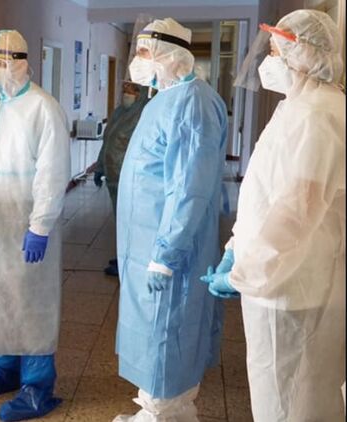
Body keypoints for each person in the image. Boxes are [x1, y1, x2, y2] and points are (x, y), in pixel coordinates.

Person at [201, 9, 345, 421]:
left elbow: (296, 212)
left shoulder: (317, 115)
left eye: (278, 51)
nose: (269, 60)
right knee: (287, 391)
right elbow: (265, 193)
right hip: (282, 277)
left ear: (305, 54)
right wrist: (235, 247)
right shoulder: (298, 107)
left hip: (292, 285)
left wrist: (245, 272)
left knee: (287, 400)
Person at [113, 18, 228, 421]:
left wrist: (166, 255)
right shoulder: (164, 99)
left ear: (172, 55)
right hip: (146, 243)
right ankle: (158, 410)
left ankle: (165, 412)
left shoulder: (191, 103)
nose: (138, 60)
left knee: (167, 330)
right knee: (151, 331)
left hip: (169, 251)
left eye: (146, 52)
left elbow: (189, 188)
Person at [0, 29, 70, 421]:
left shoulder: (43, 108)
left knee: (30, 300)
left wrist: (41, 225)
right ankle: (1, 369)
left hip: (25, 225)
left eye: (0, 62)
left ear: (20, 63)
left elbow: (52, 173)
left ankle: (37, 386)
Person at [93, 81, 151, 276]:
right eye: (124, 88)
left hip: (133, 180)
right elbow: (108, 142)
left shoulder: (145, 115)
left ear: (141, 93)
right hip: (113, 176)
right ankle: (123, 256)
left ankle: (130, 263)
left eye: (132, 90)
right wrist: (100, 167)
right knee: (121, 221)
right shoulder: (119, 113)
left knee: (132, 223)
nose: (126, 93)